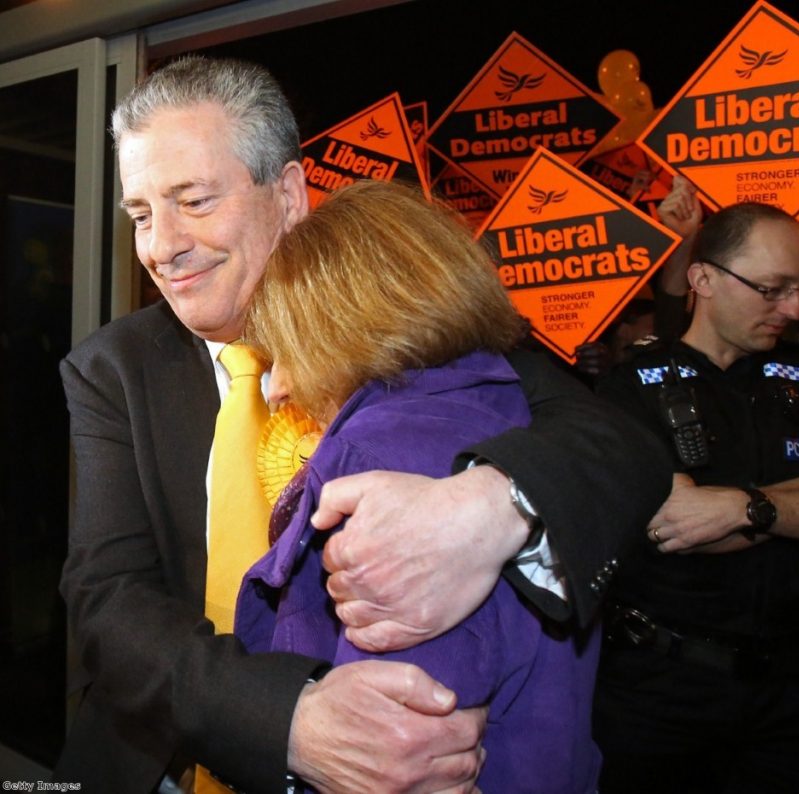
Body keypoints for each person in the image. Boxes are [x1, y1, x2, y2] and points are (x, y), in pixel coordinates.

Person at [57, 55, 671, 793]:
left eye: (193, 200)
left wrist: (493, 505)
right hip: (157, 763)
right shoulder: (110, 368)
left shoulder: (412, 327)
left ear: (287, 194)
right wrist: (288, 721)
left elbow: (620, 450)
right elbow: (108, 598)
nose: (161, 246)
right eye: (141, 215)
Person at [236, 179, 600, 792]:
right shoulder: (509, 410)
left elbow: (382, 753)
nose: (276, 389)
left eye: (289, 350)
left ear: (346, 325)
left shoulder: (373, 460)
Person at [592, 200, 799, 793]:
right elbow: (677, 527)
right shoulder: (631, 387)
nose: (793, 309)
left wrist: (744, 506)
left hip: (796, 694)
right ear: (703, 278)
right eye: (772, 289)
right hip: (664, 692)